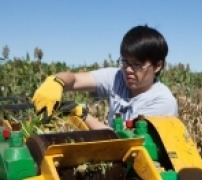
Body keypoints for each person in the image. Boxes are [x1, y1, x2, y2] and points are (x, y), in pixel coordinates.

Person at [31, 25, 178, 130]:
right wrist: (57, 81)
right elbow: (75, 79)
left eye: (137, 65)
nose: (128, 69)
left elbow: (125, 143)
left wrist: (82, 115)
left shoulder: (162, 102)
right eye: (125, 61)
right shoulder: (117, 77)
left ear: (158, 66)